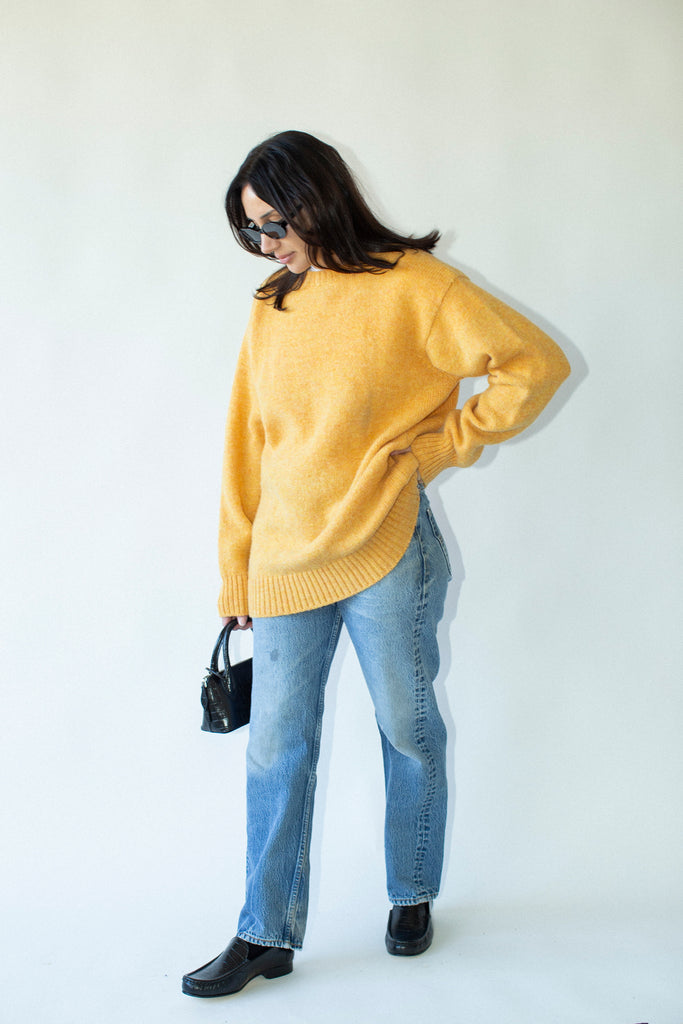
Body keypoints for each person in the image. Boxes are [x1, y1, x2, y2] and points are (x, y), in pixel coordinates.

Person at [182, 130, 570, 998]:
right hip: (285, 556)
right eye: (249, 231)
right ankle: (264, 932)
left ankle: (410, 891)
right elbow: (247, 443)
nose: (265, 244)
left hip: (385, 545)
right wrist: (234, 571)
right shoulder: (272, 304)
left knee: (405, 725)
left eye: (273, 222)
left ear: (318, 199)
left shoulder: (412, 285)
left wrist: (432, 449)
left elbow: (530, 366)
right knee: (275, 747)